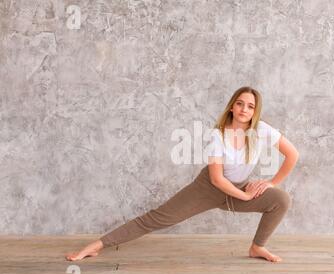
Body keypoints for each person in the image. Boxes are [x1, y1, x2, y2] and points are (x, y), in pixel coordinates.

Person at [65, 86, 299, 263]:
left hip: (238, 188)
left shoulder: (261, 130)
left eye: (250, 106)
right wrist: (245, 197)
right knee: (156, 218)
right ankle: (97, 245)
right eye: (240, 104)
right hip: (208, 188)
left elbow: (292, 155)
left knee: (280, 199)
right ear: (231, 106)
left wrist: (270, 183)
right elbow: (217, 179)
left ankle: (257, 247)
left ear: (255, 111)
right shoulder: (218, 136)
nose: (244, 110)